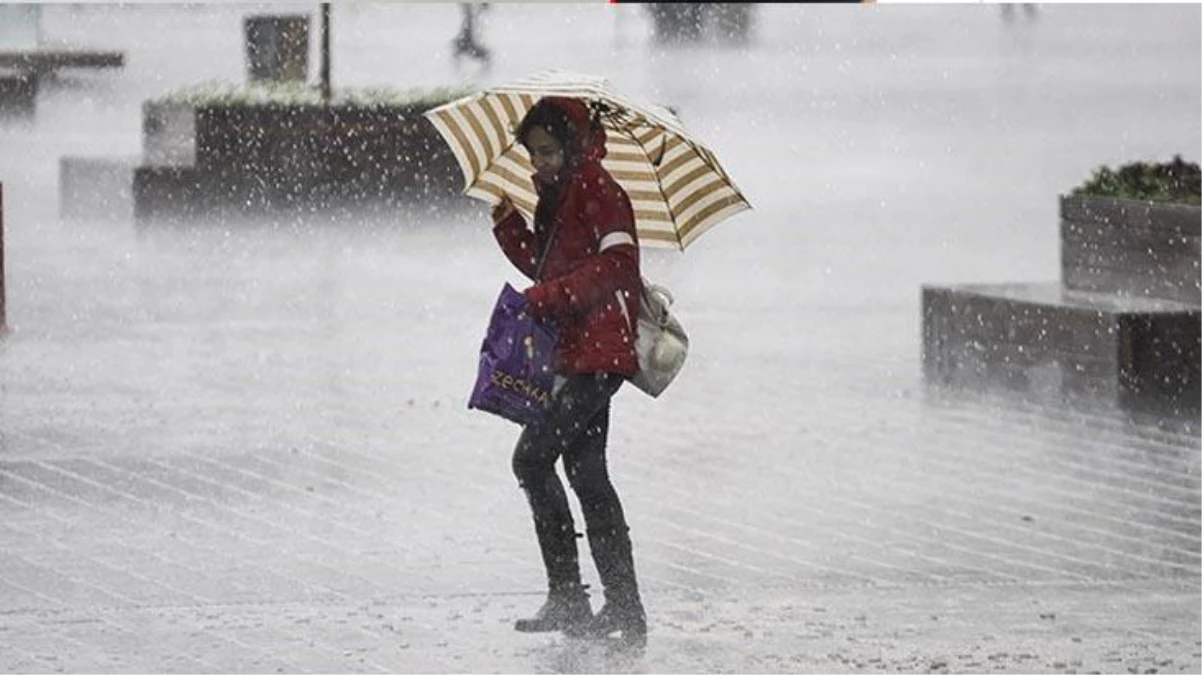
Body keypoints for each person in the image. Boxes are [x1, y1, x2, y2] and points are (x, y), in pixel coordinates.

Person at [490, 97, 647, 648]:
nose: (540, 163)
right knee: (586, 473)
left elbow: (618, 267)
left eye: (549, 151)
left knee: (532, 459)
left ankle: (569, 596)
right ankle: (623, 607)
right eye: (533, 153)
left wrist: (552, 295)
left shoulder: (601, 192)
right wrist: (510, 228)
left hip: (600, 356)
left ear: (574, 145)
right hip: (575, 353)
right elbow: (546, 265)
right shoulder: (556, 195)